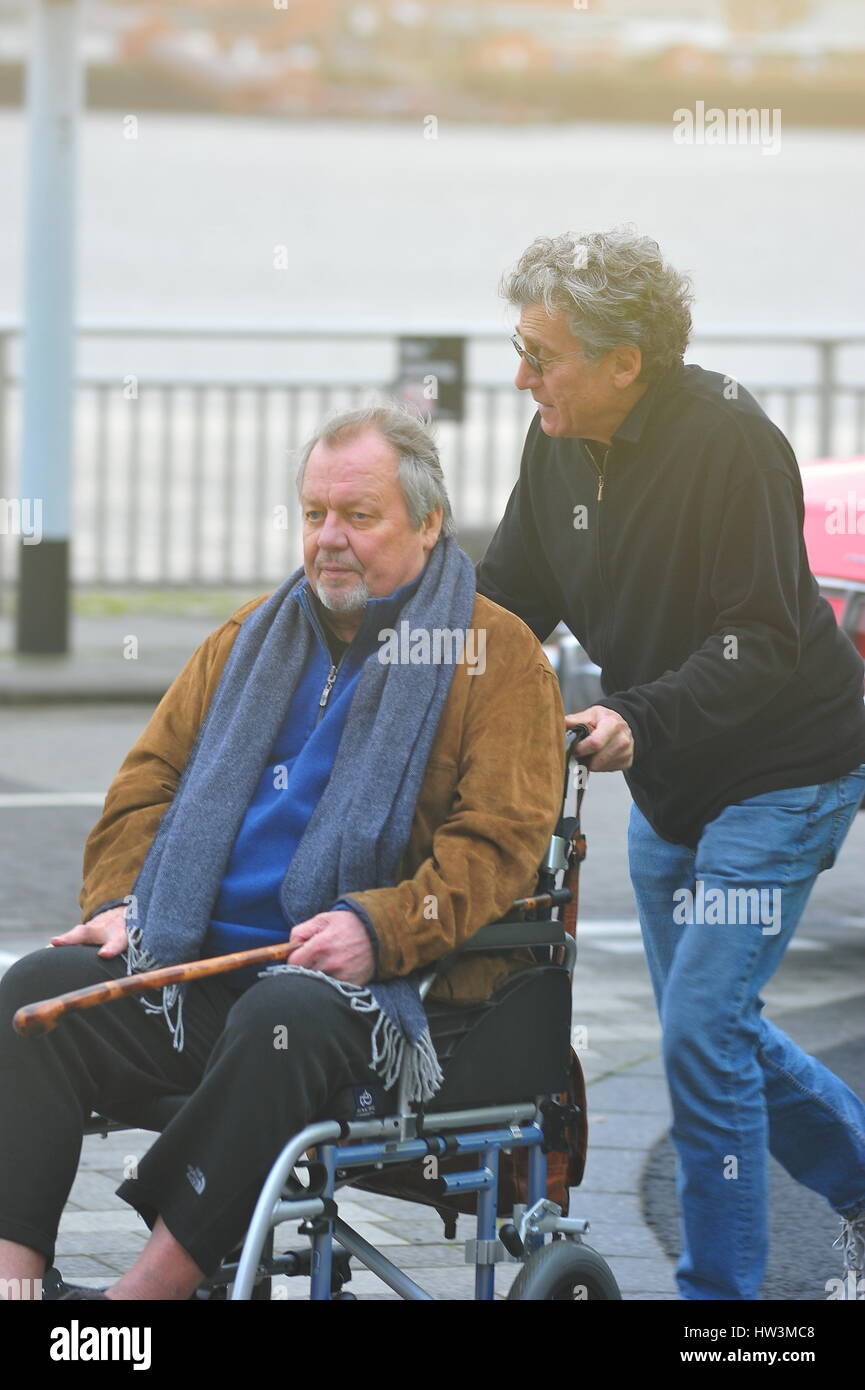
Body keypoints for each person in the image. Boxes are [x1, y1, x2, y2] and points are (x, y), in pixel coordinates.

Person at [0, 402, 564, 1301]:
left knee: (288, 1016)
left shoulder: (499, 658)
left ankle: (139, 1303)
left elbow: (497, 848)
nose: (328, 539)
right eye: (313, 514)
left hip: (378, 997)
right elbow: (142, 788)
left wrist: (377, 928)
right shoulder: (247, 639)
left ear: (427, 523)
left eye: (358, 516)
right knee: (34, 994)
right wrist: (119, 906)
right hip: (201, 971)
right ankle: (17, 1288)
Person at [476, 228, 865, 1302]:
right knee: (715, 1031)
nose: (521, 377)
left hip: (784, 772)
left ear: (622, 361)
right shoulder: (556, 439)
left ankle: (718, 1308)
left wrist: (635, 717)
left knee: (699, 1030)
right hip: (672, 775)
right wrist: (409, 654)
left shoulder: (730, 442)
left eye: (539, 355)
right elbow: (511, 595)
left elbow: (760, 635)